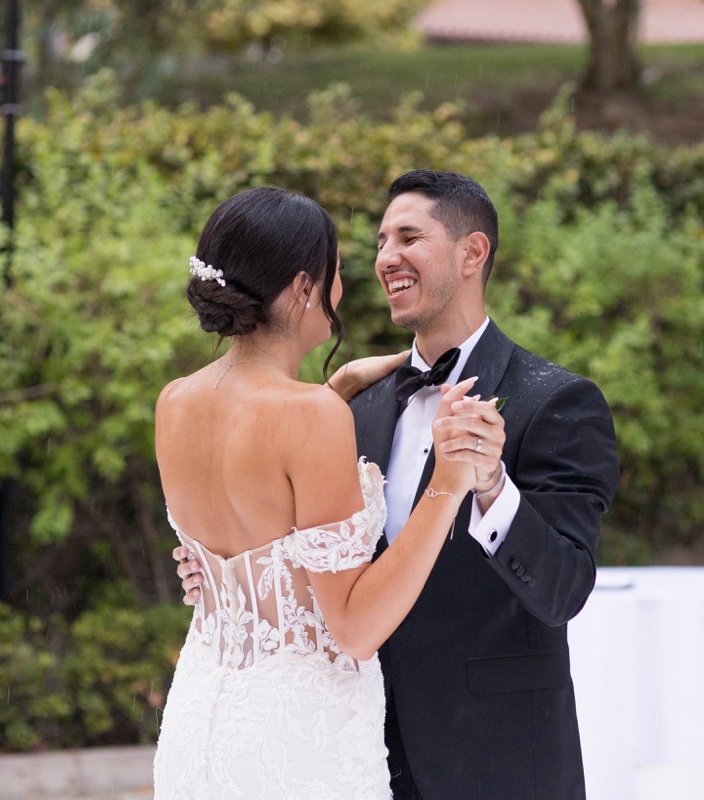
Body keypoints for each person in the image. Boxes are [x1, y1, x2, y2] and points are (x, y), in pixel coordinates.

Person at [175, 169, 621, 800]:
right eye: (381, 241)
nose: (386, 258)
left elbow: (564, 592)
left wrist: (492, 485)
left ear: (472, 253)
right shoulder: (351, 408)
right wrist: (221, 572)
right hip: (351, 745)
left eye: (409, 237)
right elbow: (296, 557)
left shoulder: (556, 402)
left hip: (492, 760)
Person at [153, 185, 494, 799]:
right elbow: (355, 629)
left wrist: (332, 389)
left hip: (201, 718)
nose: (343, 290)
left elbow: (254, 516)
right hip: (297, 737)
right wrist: (448, 480)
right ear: (305, 287)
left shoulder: (176, 401)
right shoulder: (309, 416)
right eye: (336, 274)